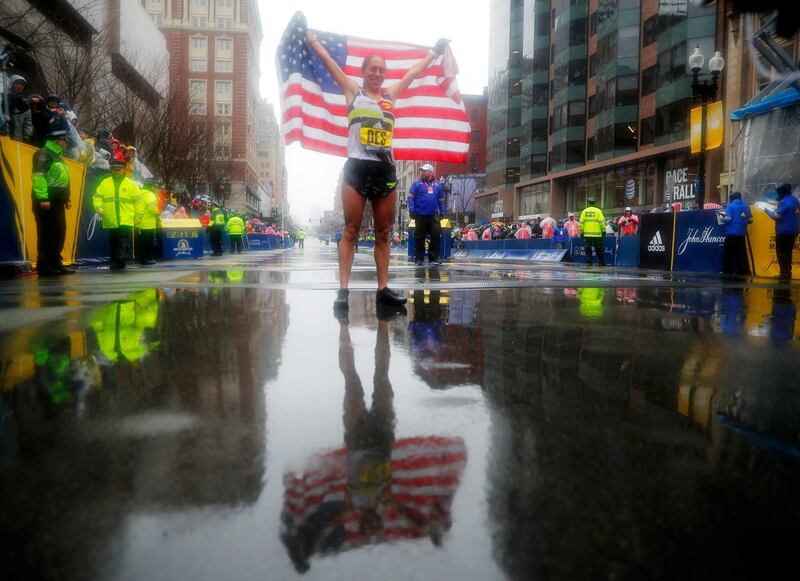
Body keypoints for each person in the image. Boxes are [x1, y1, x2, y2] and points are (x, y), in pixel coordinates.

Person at [305, 12, 448, 312]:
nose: (377, 73)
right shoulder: (352, 92)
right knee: (351, 230)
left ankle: (383, 289)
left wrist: (434, 52)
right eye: (372, 68)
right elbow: (330, 64)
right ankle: (343, 291)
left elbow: (412, 73)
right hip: (356, 168)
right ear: (364, 71)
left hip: (384, 170)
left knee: (383, 233)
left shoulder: (390, 96)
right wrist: (311, 38)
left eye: (381, 69)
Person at [32, 129, 74, 276]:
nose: (67, 144)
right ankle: (44, 266)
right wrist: (43, 198)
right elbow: (39, 177)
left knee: (59, 233)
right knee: (46, 234)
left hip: (57, 202)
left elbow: (63, 180)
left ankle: (56, 262)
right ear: (57, 141)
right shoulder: (44, 154)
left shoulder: (57, 156)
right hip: (46, 201)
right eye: (65, 141)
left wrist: (67, 198)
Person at [93, 158, 142, 270]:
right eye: (114, 169)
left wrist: (138, 216)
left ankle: (120, 260)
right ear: (111, 170)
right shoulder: (105, 183)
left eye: (118, 170)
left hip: (125, 218)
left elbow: (139, 201)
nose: (116, 172)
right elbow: (97, 197)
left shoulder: (131, 185)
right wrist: (99, 208)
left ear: (123, 170)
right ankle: (118, 260)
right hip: (111, 218)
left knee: (122, 239)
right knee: (114, 240)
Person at [409, 164, 446, 265]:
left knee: (435, 236)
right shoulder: (416, 184)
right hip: (420, 215)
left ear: (431, 172)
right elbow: (411, 197)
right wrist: (412, 210)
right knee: (419, 237)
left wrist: (443, 211)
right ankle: (419, 258)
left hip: (433, 215)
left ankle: (433, 258)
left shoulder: (438, 185)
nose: (422, 173)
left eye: (425, 171)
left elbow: (441, 200)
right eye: (422, 171)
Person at [766, 183, 800, 280]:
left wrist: (768, 212)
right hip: (794, 230)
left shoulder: (784, 202)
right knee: (788, 252)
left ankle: (784, 273)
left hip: (783, 231)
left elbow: (777, 216)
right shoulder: (795, 200)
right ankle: (788, 272)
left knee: (781, 252)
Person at [721, 192, 752, 277]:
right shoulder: (746, 206)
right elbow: (750, 220)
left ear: (732, 198)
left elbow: (728, 219)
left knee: (728, 253)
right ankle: (741, 271)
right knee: (741, 254)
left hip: (731, 233)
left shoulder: (730, 206)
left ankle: (727, 271)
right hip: (742, 234)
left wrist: (721, 218)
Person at [137, 177, 160, 265]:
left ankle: (143, 258)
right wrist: (157, 213)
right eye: (154, 186)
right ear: (151, 186)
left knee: (143, 242)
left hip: (141, 222)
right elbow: (152, 208)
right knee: (148, 242)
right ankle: (146, 259)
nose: (155, 188)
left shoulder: (140, 193)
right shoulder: (150, 194)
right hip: (148, 222)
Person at [579, 196, 606, 266]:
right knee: (598, 249)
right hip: (597, 234)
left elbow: (581, 223)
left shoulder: (584, 211)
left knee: (588, 248)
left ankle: (589, 262)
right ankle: (601, 262)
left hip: (587, 234)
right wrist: (603, 231)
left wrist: (581, 232)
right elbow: (602, 222)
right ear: (595, 203)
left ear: (588, 203)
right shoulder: (598, 211)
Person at [5, 75, 32, 142]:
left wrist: (27, 136)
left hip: (17, 139)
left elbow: (28, 122)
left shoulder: (25, 104)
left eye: (22, 85)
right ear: (12, 84)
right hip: (4, 136)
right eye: (17, 83)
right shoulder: (3, 99)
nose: (20, 86)